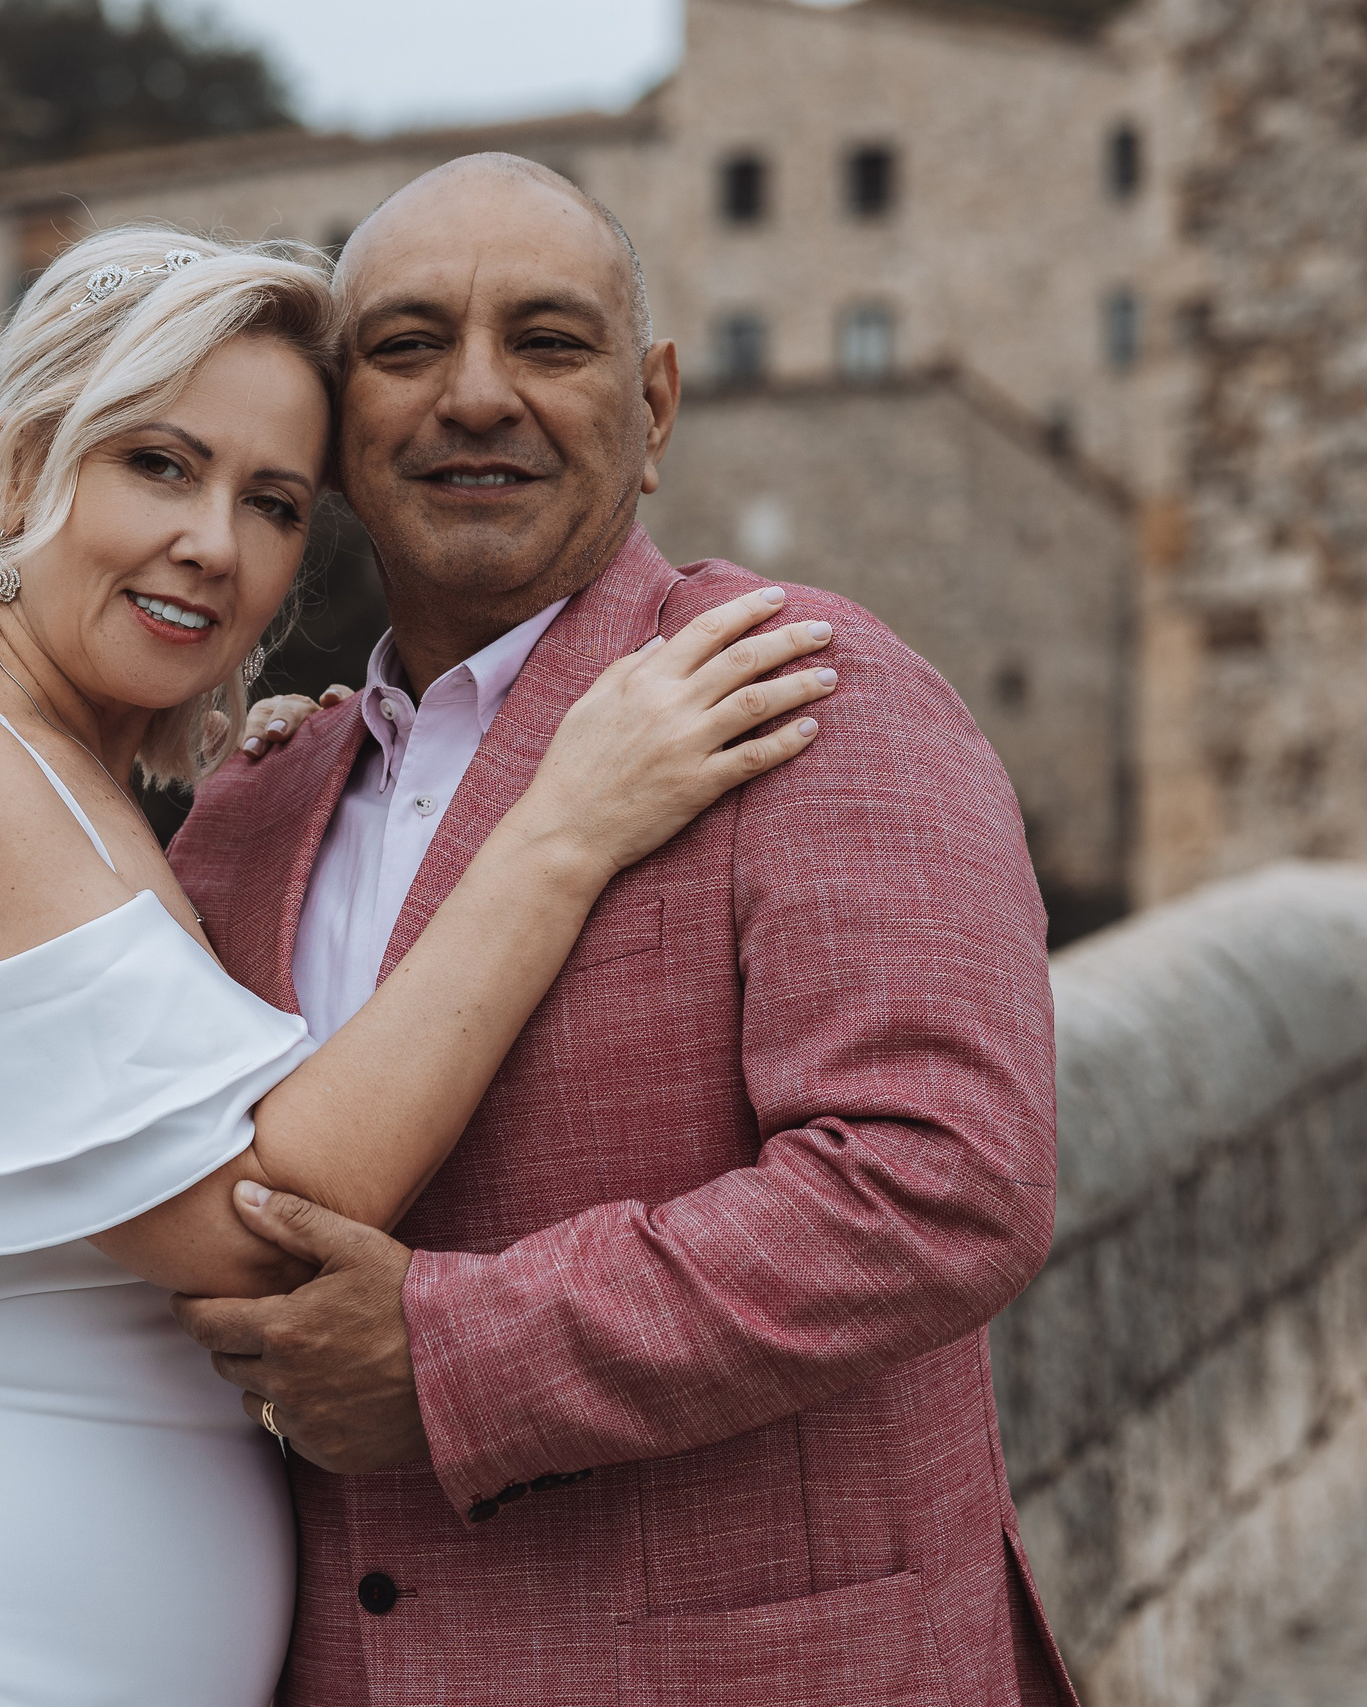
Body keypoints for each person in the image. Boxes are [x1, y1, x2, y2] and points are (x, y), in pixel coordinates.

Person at [0, 226, 837, 1707]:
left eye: (272, 501)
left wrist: (266, 810)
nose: (215, 545)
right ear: (29, 466)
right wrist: (564, 828)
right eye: (158, 465)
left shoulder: (60, 774)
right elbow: (252, 1226)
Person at [168, 154, 1078, 1705]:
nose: (474, 396)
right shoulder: (255, 807)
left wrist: (455, 1358)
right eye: (404, 346)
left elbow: (945, 1180)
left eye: (548, 340)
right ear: (334, 431)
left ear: (654, 409)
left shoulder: (811, 695)